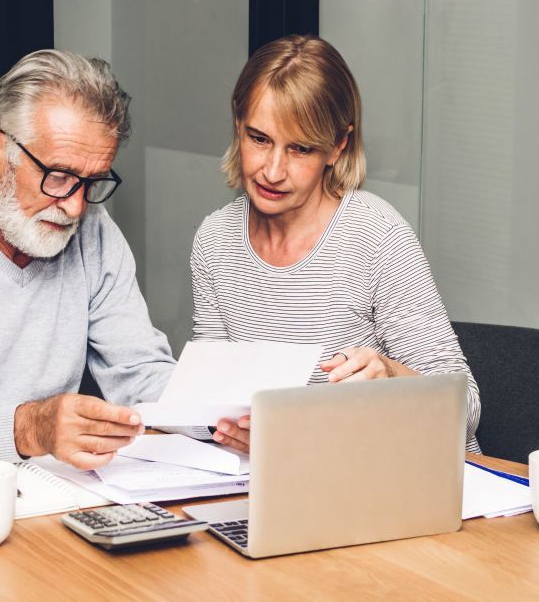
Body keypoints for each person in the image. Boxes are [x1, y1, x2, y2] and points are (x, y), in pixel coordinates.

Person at [191, 35, 481, 454]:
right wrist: (232, 430)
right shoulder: (215, 240)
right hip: (292, 480)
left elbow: (467, 408)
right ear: (238, 125)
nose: (272, 171)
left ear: (338, 147)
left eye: (300, 149)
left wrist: (393, 377)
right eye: (259, 138)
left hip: (409, 479)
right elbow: (210, 400)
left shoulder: (375, 235)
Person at [0, 50, 175, 474]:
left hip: (57, 493)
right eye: (57, 176)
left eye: (91, 182)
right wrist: (28, 429)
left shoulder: (94, 231)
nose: (75, 207)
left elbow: (138, 373)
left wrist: (228, 413)